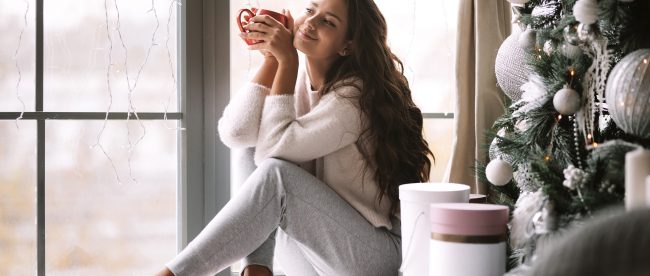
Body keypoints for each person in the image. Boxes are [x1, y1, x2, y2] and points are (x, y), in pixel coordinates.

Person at [157, 0, 433, 274]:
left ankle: (175, 273)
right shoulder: (300, 80)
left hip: (369, 255)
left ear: (347, 45)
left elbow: (272, 154)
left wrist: (287, 59)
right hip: (317, 249)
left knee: (277, 174)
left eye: (328, 21)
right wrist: (271, 61)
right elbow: (236, 134)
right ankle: (257, 269)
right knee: (250, 146)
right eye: (311, 10)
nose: (311, 22)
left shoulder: (356, 97)